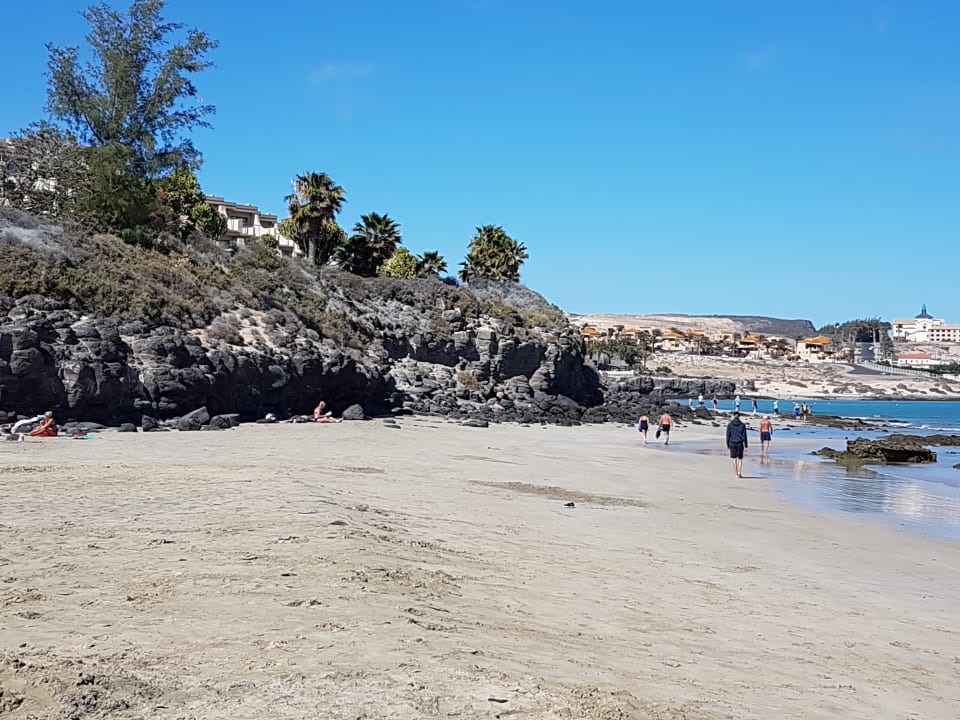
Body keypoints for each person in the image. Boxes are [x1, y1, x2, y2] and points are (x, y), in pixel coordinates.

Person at [725, 411, 748, 478]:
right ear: (739, 417)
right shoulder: (742, 425)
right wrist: (746, 445)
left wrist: (727, 445)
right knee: (740, 459)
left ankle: (736, 473)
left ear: (733, 416)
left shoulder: (730, 425)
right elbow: (744, 436)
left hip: (732, 442)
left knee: (734, 459)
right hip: (739, 443)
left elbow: (728, 435)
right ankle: (739, 472)